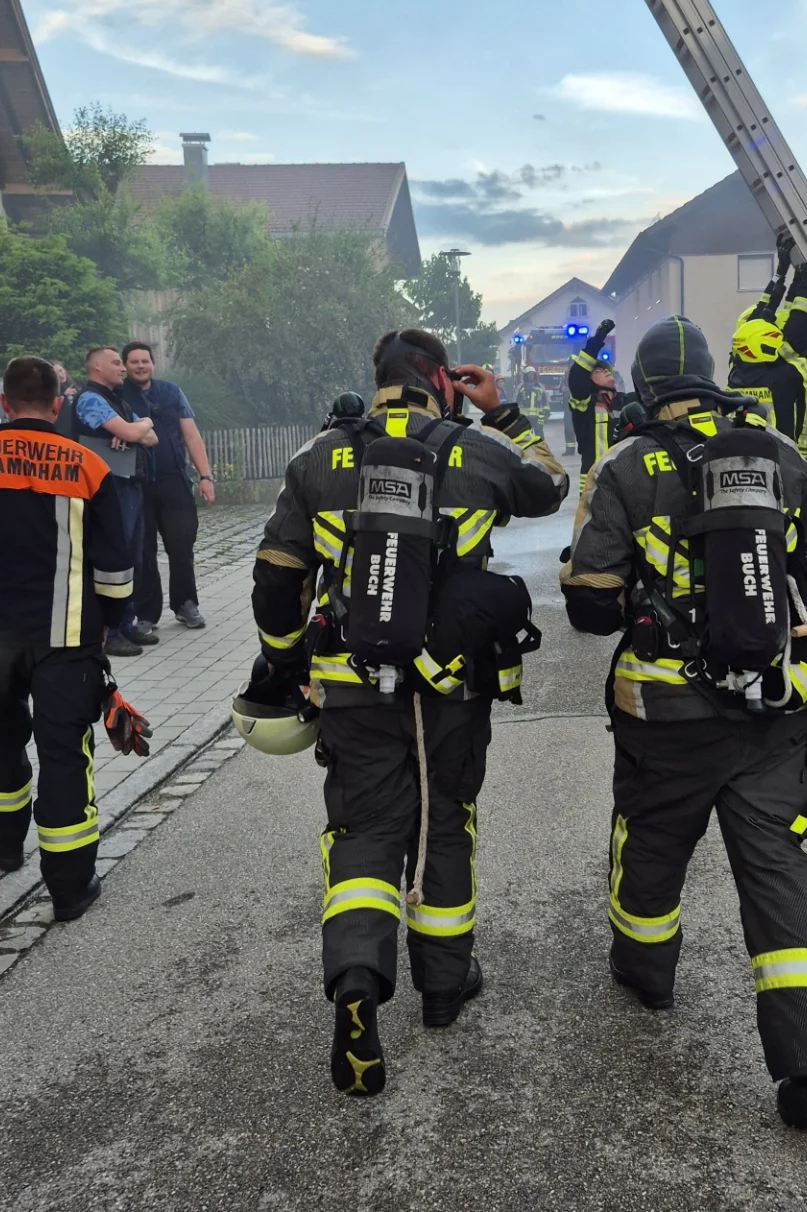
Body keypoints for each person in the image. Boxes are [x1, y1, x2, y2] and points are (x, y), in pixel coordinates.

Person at [248, 329, 567, 1097]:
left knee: (364, 829)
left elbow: (274, 577)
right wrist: (506, 414)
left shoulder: (319, 455)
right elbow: (551, 488)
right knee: (445, 819)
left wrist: (287, 663)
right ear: (443, 385)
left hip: (352, 684)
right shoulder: (476, 448)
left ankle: (358, 980)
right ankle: (444, 990)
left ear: (380, 382)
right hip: (451, 684)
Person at [560, 315, 807, 1131]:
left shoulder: (623, 463)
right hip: (770, 701)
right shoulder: (773, 450)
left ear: (646, 387)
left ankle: (647, 974)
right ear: (713, 374)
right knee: (777, 871)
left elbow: (587, 604)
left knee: (652, 845)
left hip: (665, 709)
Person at [0, 357, 137, 921]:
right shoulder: (88, 465)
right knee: (65, 752)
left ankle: (3, 844)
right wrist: (113, 617)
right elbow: (115, 563)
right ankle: (69, 887)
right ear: (58, 404)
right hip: (69, 638)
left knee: (0, 735)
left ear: (4, 404)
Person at [728, 234, 807, 466]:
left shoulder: (736, 370)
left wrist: (783, 271)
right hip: (792, 458)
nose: (777, 336)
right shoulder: (782, 376)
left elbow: (764, 311)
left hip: (757, 456)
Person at [121, 342, 214, 634]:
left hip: (174, 479)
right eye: (134, 362)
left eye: (145, 361)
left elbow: (191, 435)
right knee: (143, 550)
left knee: (182, 544)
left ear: (153, 363)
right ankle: (147, 613)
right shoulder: (118, 395)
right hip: (137, 483)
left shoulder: (172, 392)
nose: (140, 366)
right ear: (125, 366)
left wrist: (206, 477)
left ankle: (186, 604)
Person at [72, 347, 157, 657]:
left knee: (132, 557)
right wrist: (135, 430)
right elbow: (132, 430)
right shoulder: (90, 399)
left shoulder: (117, 400)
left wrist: (139, 427)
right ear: (96, 366)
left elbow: (151, 436)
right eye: (117, 363)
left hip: (129, 486)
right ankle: (111, 631)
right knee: (115, 557)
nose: (123, 368)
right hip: (108, 489)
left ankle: (127, 620)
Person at [566, 319, 618, 488]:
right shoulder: (584, 403)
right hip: (593, 483)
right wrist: (597, 340)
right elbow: (577, 374)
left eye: (606, 370)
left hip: (623, 478)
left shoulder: (624, 401)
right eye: (598, 370)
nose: (605, 371)